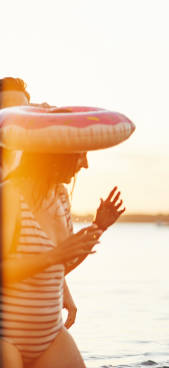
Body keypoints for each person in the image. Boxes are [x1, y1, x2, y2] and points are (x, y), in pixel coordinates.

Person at [1, 151, 126, 368]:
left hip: (50, 335)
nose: (85, 164)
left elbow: (61, 265)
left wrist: (98, 228)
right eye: (81, 155)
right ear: (57, 153)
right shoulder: (9, 194)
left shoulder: (60, 196)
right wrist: (54, 256)